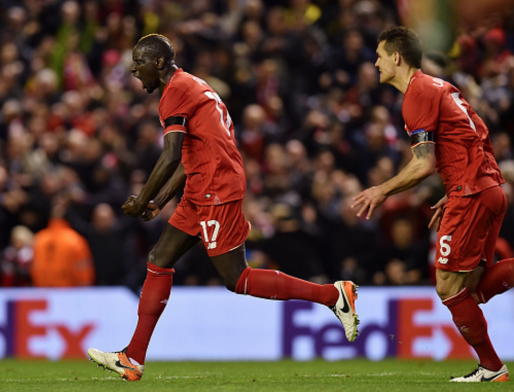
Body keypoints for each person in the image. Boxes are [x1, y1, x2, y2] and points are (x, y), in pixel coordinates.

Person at [87, 34, 360, 381]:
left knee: (237, 277)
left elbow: (171, 155)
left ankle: (332, 295)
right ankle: (133, 358)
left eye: (138, 62)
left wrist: (141, 199)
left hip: (216, 186)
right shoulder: (193, 85)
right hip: (203, 183)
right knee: (158, 260)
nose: (133, 69)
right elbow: (189, 159)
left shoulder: (175, 92)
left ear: (158, 62)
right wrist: (159, 201)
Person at [352, 26, 514, 383]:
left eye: (379, 56)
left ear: (396, 57)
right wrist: (458, 183)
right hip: (485, 188)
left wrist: (381, 189)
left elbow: (422, 164)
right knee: (471, 288)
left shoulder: (417, 93)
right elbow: (477, 133)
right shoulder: (441, 87)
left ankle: (492, 367)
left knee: (447, 286)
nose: (375, 63)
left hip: (473, 191)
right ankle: (492, 367)